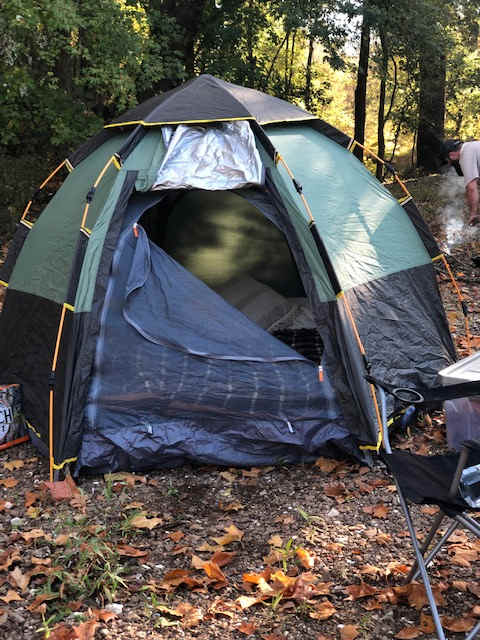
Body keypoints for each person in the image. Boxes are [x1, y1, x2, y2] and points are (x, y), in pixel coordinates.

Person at [443, 139, 480, 226]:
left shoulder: (465, 154)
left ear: (451, 155)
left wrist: (473, 214)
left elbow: (472, 188)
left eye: (448, 159)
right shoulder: (472, 146)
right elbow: (472, 185)